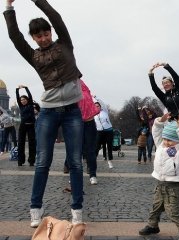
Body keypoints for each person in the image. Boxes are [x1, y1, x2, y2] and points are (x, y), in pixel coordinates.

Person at [4, 0, 84, 227]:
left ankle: (77, 210)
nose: (43, 38)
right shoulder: (33, 56)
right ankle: (35, 208)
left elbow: (55, 16)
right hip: (48, 112)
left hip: (72, 111)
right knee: (42, 162)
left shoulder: (65, 44)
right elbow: (14, 36)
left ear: (51, 32)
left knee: (76, 163)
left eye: (46, 33)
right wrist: (9, 7)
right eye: (38, 36)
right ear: (34, 38)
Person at [139, 113, 179, 240]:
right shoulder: (160, 145)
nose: (167, 142)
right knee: (156, 206)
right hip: (160, 181)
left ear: (177, 141)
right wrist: (160, 121)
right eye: (165, 139)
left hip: (172, 184)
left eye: (170, 140)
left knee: (173, 210)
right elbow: (156, 132)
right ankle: (153, 225)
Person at [148, 62, 179, 189]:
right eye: (164, 84)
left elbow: (177, 77)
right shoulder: (165, 97)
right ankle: (171, 174)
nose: (165, 84)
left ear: (172, 83)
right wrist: (151, 74)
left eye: (167, 82)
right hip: (172, 125)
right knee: (172, 151)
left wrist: (166, 66)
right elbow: (154, 88)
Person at [15, 85, 36, 166]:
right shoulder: (20, 106)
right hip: (23, 126)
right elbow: (17, 97)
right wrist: (17, 89)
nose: (22, 101)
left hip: (31, 126)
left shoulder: (30, 104)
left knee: (32, 143)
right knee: (20, 143)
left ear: (27, 100)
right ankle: (20, 160)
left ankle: (31, 161)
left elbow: (30, 95)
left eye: (24, 99)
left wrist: (26, 88)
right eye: (21, 100)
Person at [94, 99, 114, 169]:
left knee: (109, 146)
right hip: (99, 131)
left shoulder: (104, 111)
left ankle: (110, 161)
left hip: (109, 131)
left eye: (98, 106)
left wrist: (97, 98)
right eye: (95, 106)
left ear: (100, 106)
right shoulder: (94, 114)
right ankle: (94, 160)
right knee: (97, 146)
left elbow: (103, 103)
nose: (97, 107)